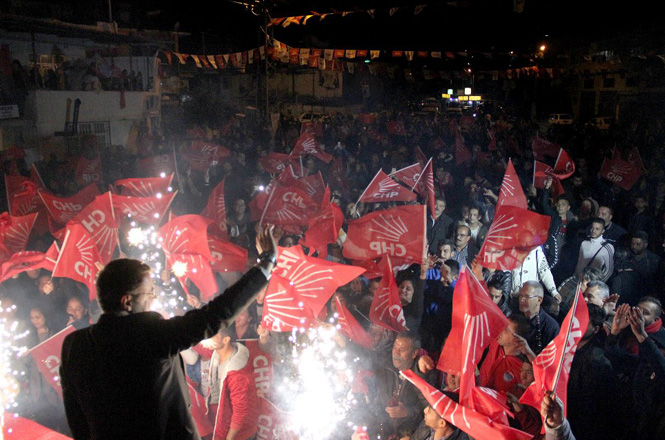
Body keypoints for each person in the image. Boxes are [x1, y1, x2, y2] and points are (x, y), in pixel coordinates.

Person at [60, 225, 278, 440]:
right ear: (127, 301)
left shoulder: (73, 346)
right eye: (150, 292)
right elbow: (217, 313)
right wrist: (266, 263)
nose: (153, 298)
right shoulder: (153, 334)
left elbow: (77, 420)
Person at [517, 281, 560, 355]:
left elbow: (550, 357)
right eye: (520, 295)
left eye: (527, 296)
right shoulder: (514, 316)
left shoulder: (551, 327)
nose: (522, 300)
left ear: (539, 300)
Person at [573, 217, 614, 282]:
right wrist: (575, 277)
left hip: (593, 282)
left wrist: (599, 283)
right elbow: (579, 262)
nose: (593, 231)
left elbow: (609, 270)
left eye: (597, 229)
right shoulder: (584, 243)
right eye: (592, 228)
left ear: (603, 231)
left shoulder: (607, 247)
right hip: (580, 281)